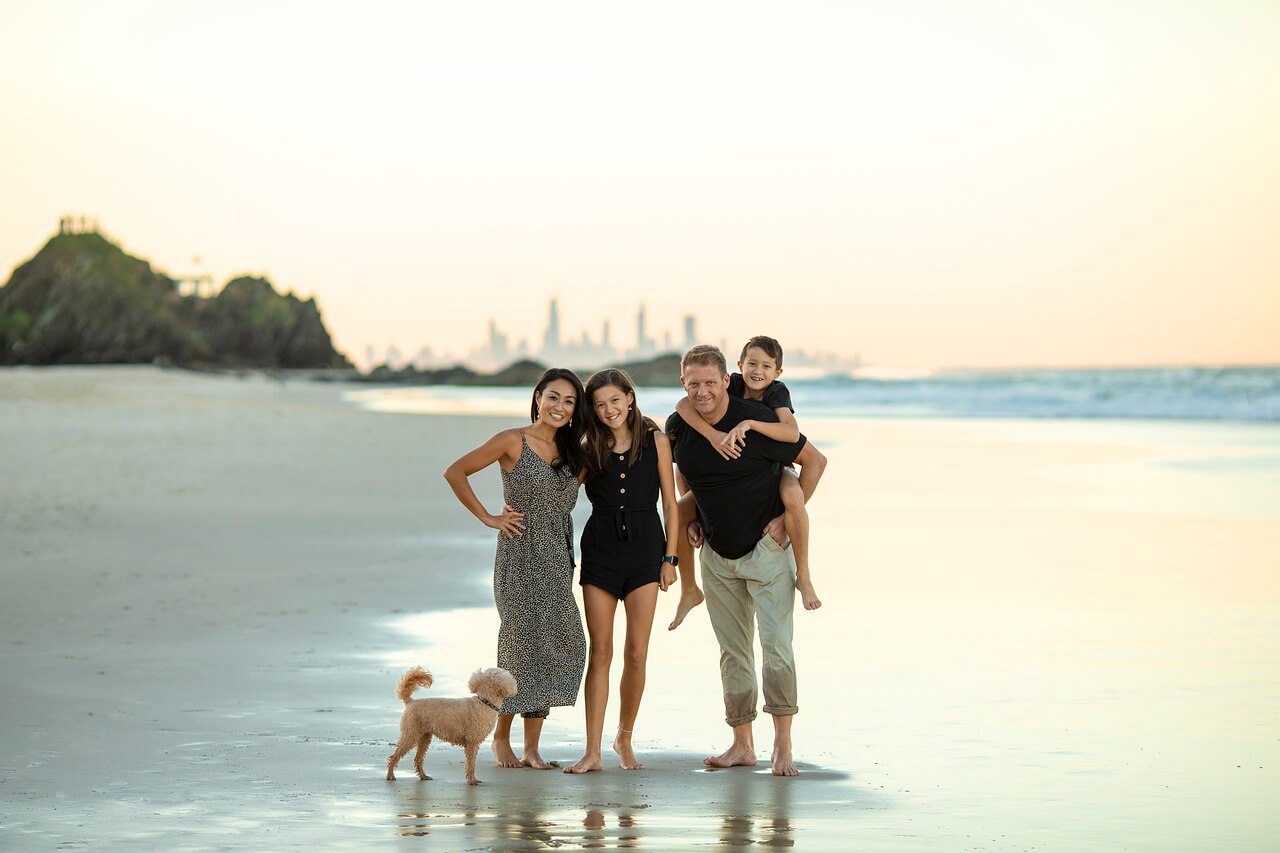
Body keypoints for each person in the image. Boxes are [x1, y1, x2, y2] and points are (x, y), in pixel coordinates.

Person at [666, 345, 827, 776]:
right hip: (716, 556)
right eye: (693, 383)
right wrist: (694, 514)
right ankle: (742, 744)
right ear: (684, 383)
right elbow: (683, 468)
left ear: (726, 381)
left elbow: (814, 460)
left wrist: (786, 518)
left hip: (765, 553)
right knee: (732, 653)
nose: (702, 391)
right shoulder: (680, 424)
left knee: (776, 650)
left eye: (709, 383)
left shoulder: (757, 424)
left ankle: (783, 745)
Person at [443, 368, 587, 771]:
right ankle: (500, 737)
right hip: (519, 555)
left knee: (560, 642)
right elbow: (455, 471)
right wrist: (489, 517)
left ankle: (532, 748)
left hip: (558, 558)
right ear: (538, 397)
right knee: (520, 643)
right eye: (553, 397)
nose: (560, 407)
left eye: (570, 401)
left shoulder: (576, 452)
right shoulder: (513, 440)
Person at [565, 368, 679, 773]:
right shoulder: (587, 445)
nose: (609, 409)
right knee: (601, 653)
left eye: (615, 400)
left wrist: (671, 559)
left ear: (630, 398)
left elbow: (671, 504)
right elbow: (561, 492)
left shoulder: (657, 441)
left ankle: (624, 737)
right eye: (599, 405)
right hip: (601, 551)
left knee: (636, 653)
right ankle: (592, 750)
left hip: (648, 551)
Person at [672, 335, 821, 612]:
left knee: (792, 497)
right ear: (738, 367)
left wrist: (750, 423)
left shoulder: (776, 394)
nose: (757, 372)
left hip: (778, 465)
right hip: (727, 504)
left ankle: (804, 575)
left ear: (777, 373)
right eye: (752, 364)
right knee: (679, 509)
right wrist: (713, 435)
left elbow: (792, 434)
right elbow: (683, 406)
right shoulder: (732, 384)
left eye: (766, 367)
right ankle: (688, 588)